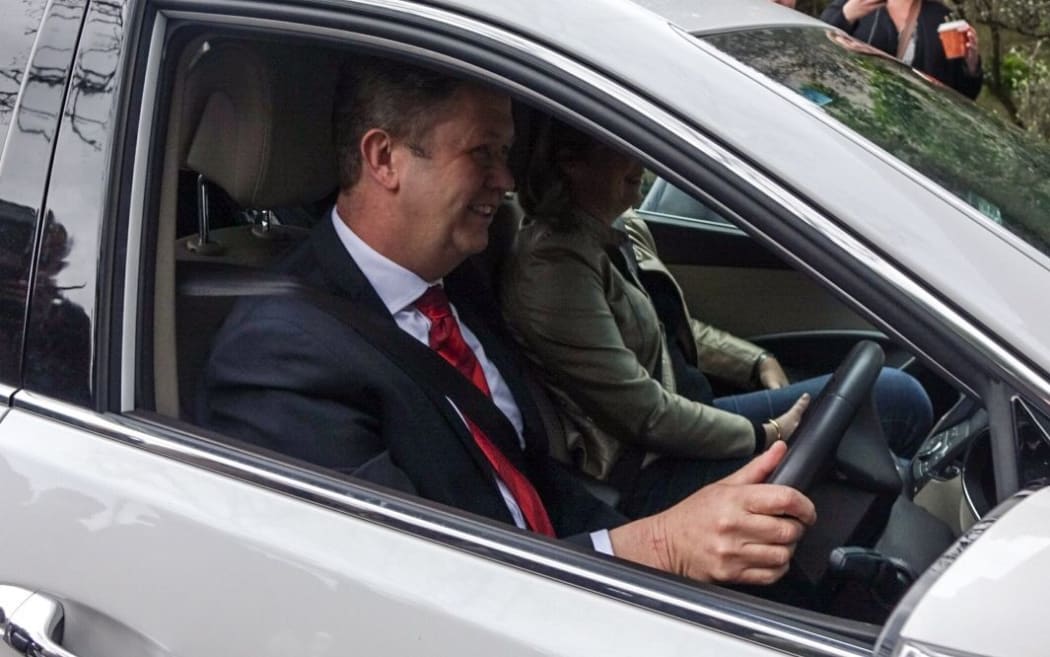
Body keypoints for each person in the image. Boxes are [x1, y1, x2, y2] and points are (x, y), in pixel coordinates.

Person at [198, 57, 815, 585]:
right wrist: (659, 548)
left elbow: (531, 477)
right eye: (482, 153)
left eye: (507, 153)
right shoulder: (278, 354)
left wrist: (655, 538)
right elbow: (402, 585)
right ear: (384, 157)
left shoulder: (462, 279)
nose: (507, 179)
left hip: (574, 570)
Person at [501, 118, 933, 517]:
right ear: (569, 161)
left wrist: (754, 361)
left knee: (894, 393)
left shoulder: (619, 226)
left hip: (688, 409)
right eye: (617, 146)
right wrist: (766, 434)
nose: (637, 157)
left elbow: (667, 325)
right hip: (649, 467)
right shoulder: (554, 267)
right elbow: (646, 416)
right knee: (882, 431)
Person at [821, 0, 982, 99]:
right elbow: (818, 45)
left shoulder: (941, 17)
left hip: (916, 127)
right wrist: (845, 15)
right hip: (857, 105)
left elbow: (963, 95)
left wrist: (971, 65)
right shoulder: (855, 3)